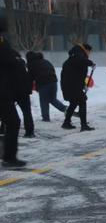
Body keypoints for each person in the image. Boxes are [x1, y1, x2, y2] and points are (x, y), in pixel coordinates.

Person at [0, 17, 27, 167]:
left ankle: (8, 156)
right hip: (2, 92)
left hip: (5, 91)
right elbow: (8, 58)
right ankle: (9, 157)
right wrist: (16, 59)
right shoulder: (2, 44)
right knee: (12, 122)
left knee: (11, 122)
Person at [60, 44, 95, 131]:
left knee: (74, 102)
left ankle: (66, 122)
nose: (89, 54)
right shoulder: (78, 55)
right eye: (89, 52)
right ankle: (83, 125)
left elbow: (78, 74)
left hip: (71, 85)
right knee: (82, 101)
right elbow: (80, 61)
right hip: (72, 86)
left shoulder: (74, 57)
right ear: (86, 50)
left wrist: (83, 85)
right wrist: (90, 63)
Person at [26, 51, 68, 123]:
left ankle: (45, 118)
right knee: (52, 99)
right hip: (53, 81)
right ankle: (66, 109)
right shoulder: (45, 61)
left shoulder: (31, 64)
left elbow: (30, 78)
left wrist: (28, 89)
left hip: (43, 83)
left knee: (43, 101)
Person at [14, 53, 34, 138]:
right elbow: (29, 79)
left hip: (12, 91)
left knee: (7, 111)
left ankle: (4, 129)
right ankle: (29, 132)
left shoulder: (8, 66)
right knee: (27, 112)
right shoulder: (23, 67)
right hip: (24, 92)